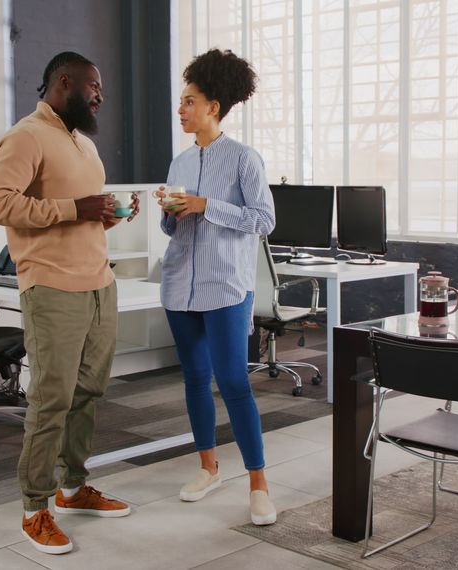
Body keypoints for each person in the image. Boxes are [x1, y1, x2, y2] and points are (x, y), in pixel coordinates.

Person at [0, 51, 139, 555]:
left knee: (89, 393)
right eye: (94, 86)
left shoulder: (83, 144)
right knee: (51, 400)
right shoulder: (26, 135)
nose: (100, 96)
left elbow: (81, 215)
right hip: (51, 287)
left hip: (99, 284)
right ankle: (35, 508)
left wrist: (110, 214)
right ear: (64, 82)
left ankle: (71, 489)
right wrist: (77, 208)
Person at [154, 48, 277, 525]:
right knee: (192, 379)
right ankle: (208, 468)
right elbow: (173, 230)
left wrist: (208, 205)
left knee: (233, 382)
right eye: (181, 101)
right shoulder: (179, 163)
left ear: (213, 106)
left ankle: (259, 483)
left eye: (189, 101)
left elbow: (264, 220)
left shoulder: (245, 159)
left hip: (226, 285)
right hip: (179, 284)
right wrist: (170, 214)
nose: (181, 109)